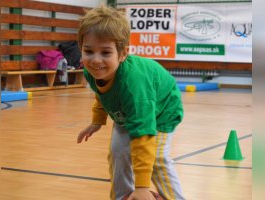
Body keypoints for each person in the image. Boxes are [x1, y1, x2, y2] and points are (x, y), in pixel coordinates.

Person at [77, 6, 185, 200]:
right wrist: (97, 120)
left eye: (106, 52)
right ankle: (122, 196)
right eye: (89, 51)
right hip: (128, 111)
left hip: (162, 110)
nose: (95, 60)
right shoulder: (91, 71)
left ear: (123, 53)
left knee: (158, 158)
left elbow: (143, 134)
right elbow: (102, 94)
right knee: (118, 152)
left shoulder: (133, 86)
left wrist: (142, 187)